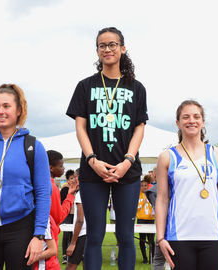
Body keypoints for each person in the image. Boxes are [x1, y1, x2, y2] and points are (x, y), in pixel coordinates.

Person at [66, 26, 148, 270]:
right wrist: (92, 159)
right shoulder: (85, 86)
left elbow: (139, 128)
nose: (108, 49)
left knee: (125, 236)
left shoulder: (137, 87)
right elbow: (80, 127)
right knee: (94, 236)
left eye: (113, 44)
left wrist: (127, 162)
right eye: (102, 45)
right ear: (97, 50)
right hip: (93, 171)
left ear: (123, 48)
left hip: (128, 172)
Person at [0, 84, 51, 269]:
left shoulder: (34, 146)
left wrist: (39, 236)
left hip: (21, 228)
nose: (0, 111)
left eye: (6, 106)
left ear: (19, 110)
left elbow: (42, 193)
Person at [155, 100, 218, 270]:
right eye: (186, 117)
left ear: (203, 122)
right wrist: (161, 238)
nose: (192, 120)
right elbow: (162, 199)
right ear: (178, 123)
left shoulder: (217, 154)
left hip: (213, 237)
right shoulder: (167, 156)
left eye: (196, 116)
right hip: (179, 238)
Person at [145, 166, 167, 270]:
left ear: (154, 176)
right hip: (174, 228)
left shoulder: (152, 192)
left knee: (158, 260)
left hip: (164, 228)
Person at [66, 184, 87, 270]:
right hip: (92, 234)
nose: (72, 181)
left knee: (71, 266)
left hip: (82, 235)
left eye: (74, 178)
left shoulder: (80, 194)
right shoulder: (93, 193)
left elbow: (80, 221)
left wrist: (73, 243)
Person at [136, 179, 155, 264]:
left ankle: (152, 258)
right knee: (142, 239)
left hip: (150, 220)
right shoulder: (137, 195)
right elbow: (135, 209)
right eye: (141, 185)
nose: (143, 187)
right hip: (141, 220)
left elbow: (155, 206)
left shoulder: (151, 194)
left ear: (148, 186)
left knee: (151, 240)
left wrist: (154, 214)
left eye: (145, 185)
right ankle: (145, 258)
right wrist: (142, 203)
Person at [60, 169, 76, 264]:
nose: (72, 180)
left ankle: (73, 254)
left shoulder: (79, 188)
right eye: (70, 178)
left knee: (75, 235)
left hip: (77, 215)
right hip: (67, 214)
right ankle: (64, 255)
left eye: (74, 178)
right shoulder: (65, 189)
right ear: (67, 180)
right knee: (66, 234)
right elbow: (61, 202)